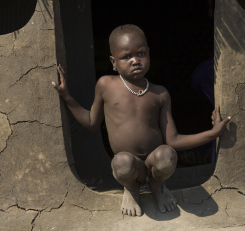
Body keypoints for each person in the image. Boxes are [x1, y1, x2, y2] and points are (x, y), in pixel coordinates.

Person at [52, 24, 230, 217]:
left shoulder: (160, 93)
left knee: (167, 155)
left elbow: (173, 140)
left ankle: (157, 185)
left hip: (155, 163)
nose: (135, 60)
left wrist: (213, 133)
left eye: (141, 54)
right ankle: (131, 188)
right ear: (113, 61)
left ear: (149, 54)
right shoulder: (106, 85)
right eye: (126, 57)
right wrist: (67, 97)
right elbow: (91, 122)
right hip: (129, 166)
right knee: (122, 162)